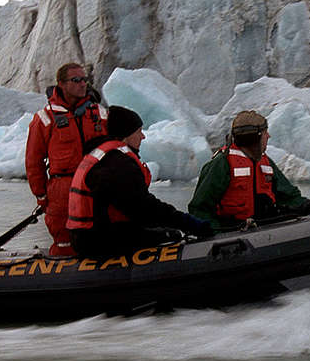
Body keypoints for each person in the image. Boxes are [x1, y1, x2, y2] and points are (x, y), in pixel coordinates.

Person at [67, 106, 214, 258]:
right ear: (126, 135)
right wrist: (187, 222)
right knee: (171, 236)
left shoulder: (105, 156)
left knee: (159, 228)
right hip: (97, 240)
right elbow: (144, 208)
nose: (142, 137)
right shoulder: (118, 164)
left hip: (85, 235)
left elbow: (136, 208)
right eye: (138, 131)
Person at [188, 110, 310, 230]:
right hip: (233, 232)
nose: (268, 137)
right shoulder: (222, 164)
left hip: (265, 228)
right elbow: (200, 209)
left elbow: (288, 196)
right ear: (255, 137)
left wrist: (305, 205)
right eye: (265, 133)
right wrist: (216, 232)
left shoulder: (265, 163)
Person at [25, 62, 108, 256]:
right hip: (63, 191)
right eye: (76, 80)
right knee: (64, 244)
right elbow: (34, 162)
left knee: (100, 238)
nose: (82, 84)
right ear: (61, 84)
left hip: (96, 185)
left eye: (84, 80)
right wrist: (42, 196)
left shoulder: (99, 114)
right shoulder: (45, 118)